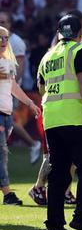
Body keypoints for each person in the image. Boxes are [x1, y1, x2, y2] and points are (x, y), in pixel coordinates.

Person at [37, 15, 82, 230]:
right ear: (80, 32)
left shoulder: (48, 56)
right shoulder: (80, 51)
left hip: (52, 119)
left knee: (58, 172)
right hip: (75, 118)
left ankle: (54, 222)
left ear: (58, 33)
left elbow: (41, 89)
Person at [1, 26, 41, 205]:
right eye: (0, 38)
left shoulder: (8, 62)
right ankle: (8, 194)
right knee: (2, 155)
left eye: (5, 38)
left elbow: (13, 87)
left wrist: (30, 103)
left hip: (7, 113)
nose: (3, 42)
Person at [0, 11, 41, 164]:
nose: (1, 24)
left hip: (9, 89)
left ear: (10, 24)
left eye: (4, 22)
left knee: (7, 120)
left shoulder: (16, 42)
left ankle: (32, 144)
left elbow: (20, 67)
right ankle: (32, 144)